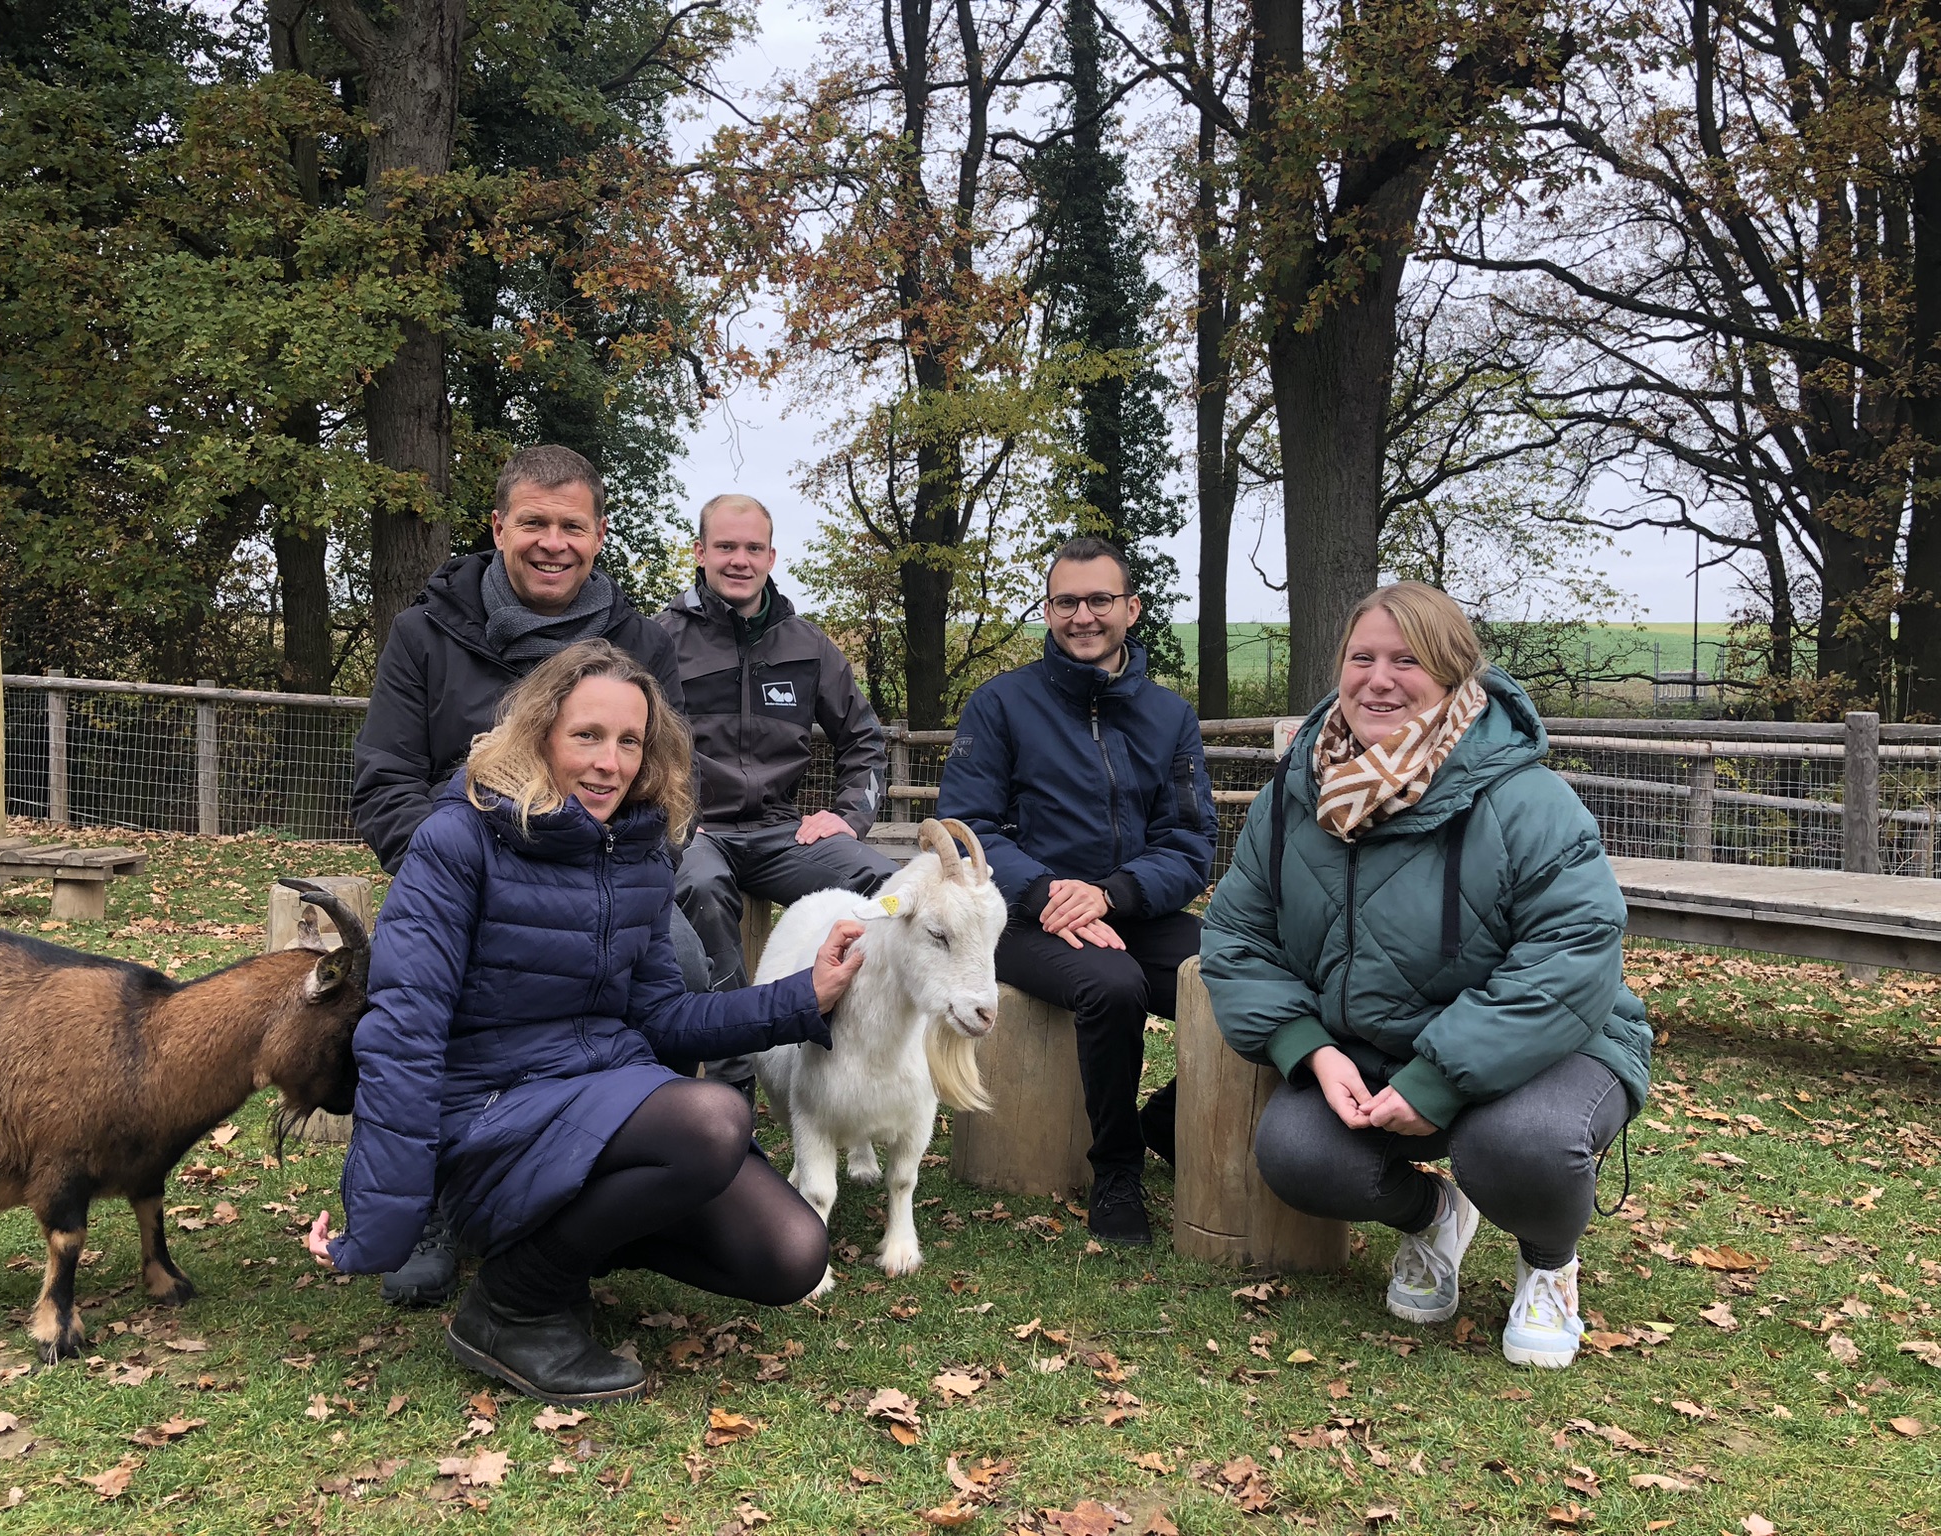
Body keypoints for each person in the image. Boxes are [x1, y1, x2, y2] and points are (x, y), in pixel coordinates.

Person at [306, 641, 864, 1405]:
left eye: (629, 741)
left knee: (791, 1255)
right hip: (490, 1114)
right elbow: (402, 1034)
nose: (610, 762)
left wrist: (806, 996)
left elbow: (665, 1017)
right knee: (710, 1118)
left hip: (601, 1103)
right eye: (587, 736)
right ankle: (513, 1304)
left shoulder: (636, 849)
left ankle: (559, 1247)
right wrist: (377, 1224)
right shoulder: (458, 838)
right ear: (539, 733)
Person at [1199, 582, 1651, 1369]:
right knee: (1298, 1153)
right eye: (1362, 657)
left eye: (1408, 661)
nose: (1380, 679)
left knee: (1518, 1145)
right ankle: (1433, 1216)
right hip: (1371, 1053)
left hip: (1552, 1052)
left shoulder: (1526, 799)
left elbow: (1574, 954)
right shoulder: (1294, 796)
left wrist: (1439, 1077)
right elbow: (1236, 935)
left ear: (1451, 675)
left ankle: (1549, 1266)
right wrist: (1309, 1048)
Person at [349, 444, 705, 1308]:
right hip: (459, 869)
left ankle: (623, 1167)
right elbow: (384, 783)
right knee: (419, 987)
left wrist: (603, 874)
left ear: (599, 535)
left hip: (601, 874)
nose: (554, 542)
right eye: (535, 523)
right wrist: (467, 869)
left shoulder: (641, 640)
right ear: (499, 527)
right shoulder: (424, 634)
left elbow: (660, 776)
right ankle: (433, 1186)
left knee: (688, 964)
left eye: (572, 526)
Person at [935, 536, 1216, 1245]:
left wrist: (1113, 893)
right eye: (1066, 601)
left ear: (1132, 608)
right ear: (1048, 609)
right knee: (1112, 986)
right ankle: (1117, 1171)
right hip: (1020, 918)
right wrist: (1049, 891)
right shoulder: (1000, 705)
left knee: (1250, 970)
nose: (1082, 616)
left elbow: (1188, 844)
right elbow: (969, 828)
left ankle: (1168, 1122)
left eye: (1099, 600)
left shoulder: (1170, 717)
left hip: (1133, 907)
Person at [661, 494, 898, 1003]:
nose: (739, 560)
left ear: (771, 558)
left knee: (893, 888)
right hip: (696, 832)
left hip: (782, 835)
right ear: (700, 552)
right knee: (700, 889)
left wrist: (849, 815)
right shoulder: (661, 641)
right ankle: (733, 1064)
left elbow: (864, 738)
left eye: (753, 548)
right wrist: (669, 816)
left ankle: (850, 1037)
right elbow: (631, 744)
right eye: (725, 546)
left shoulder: (807, 645)